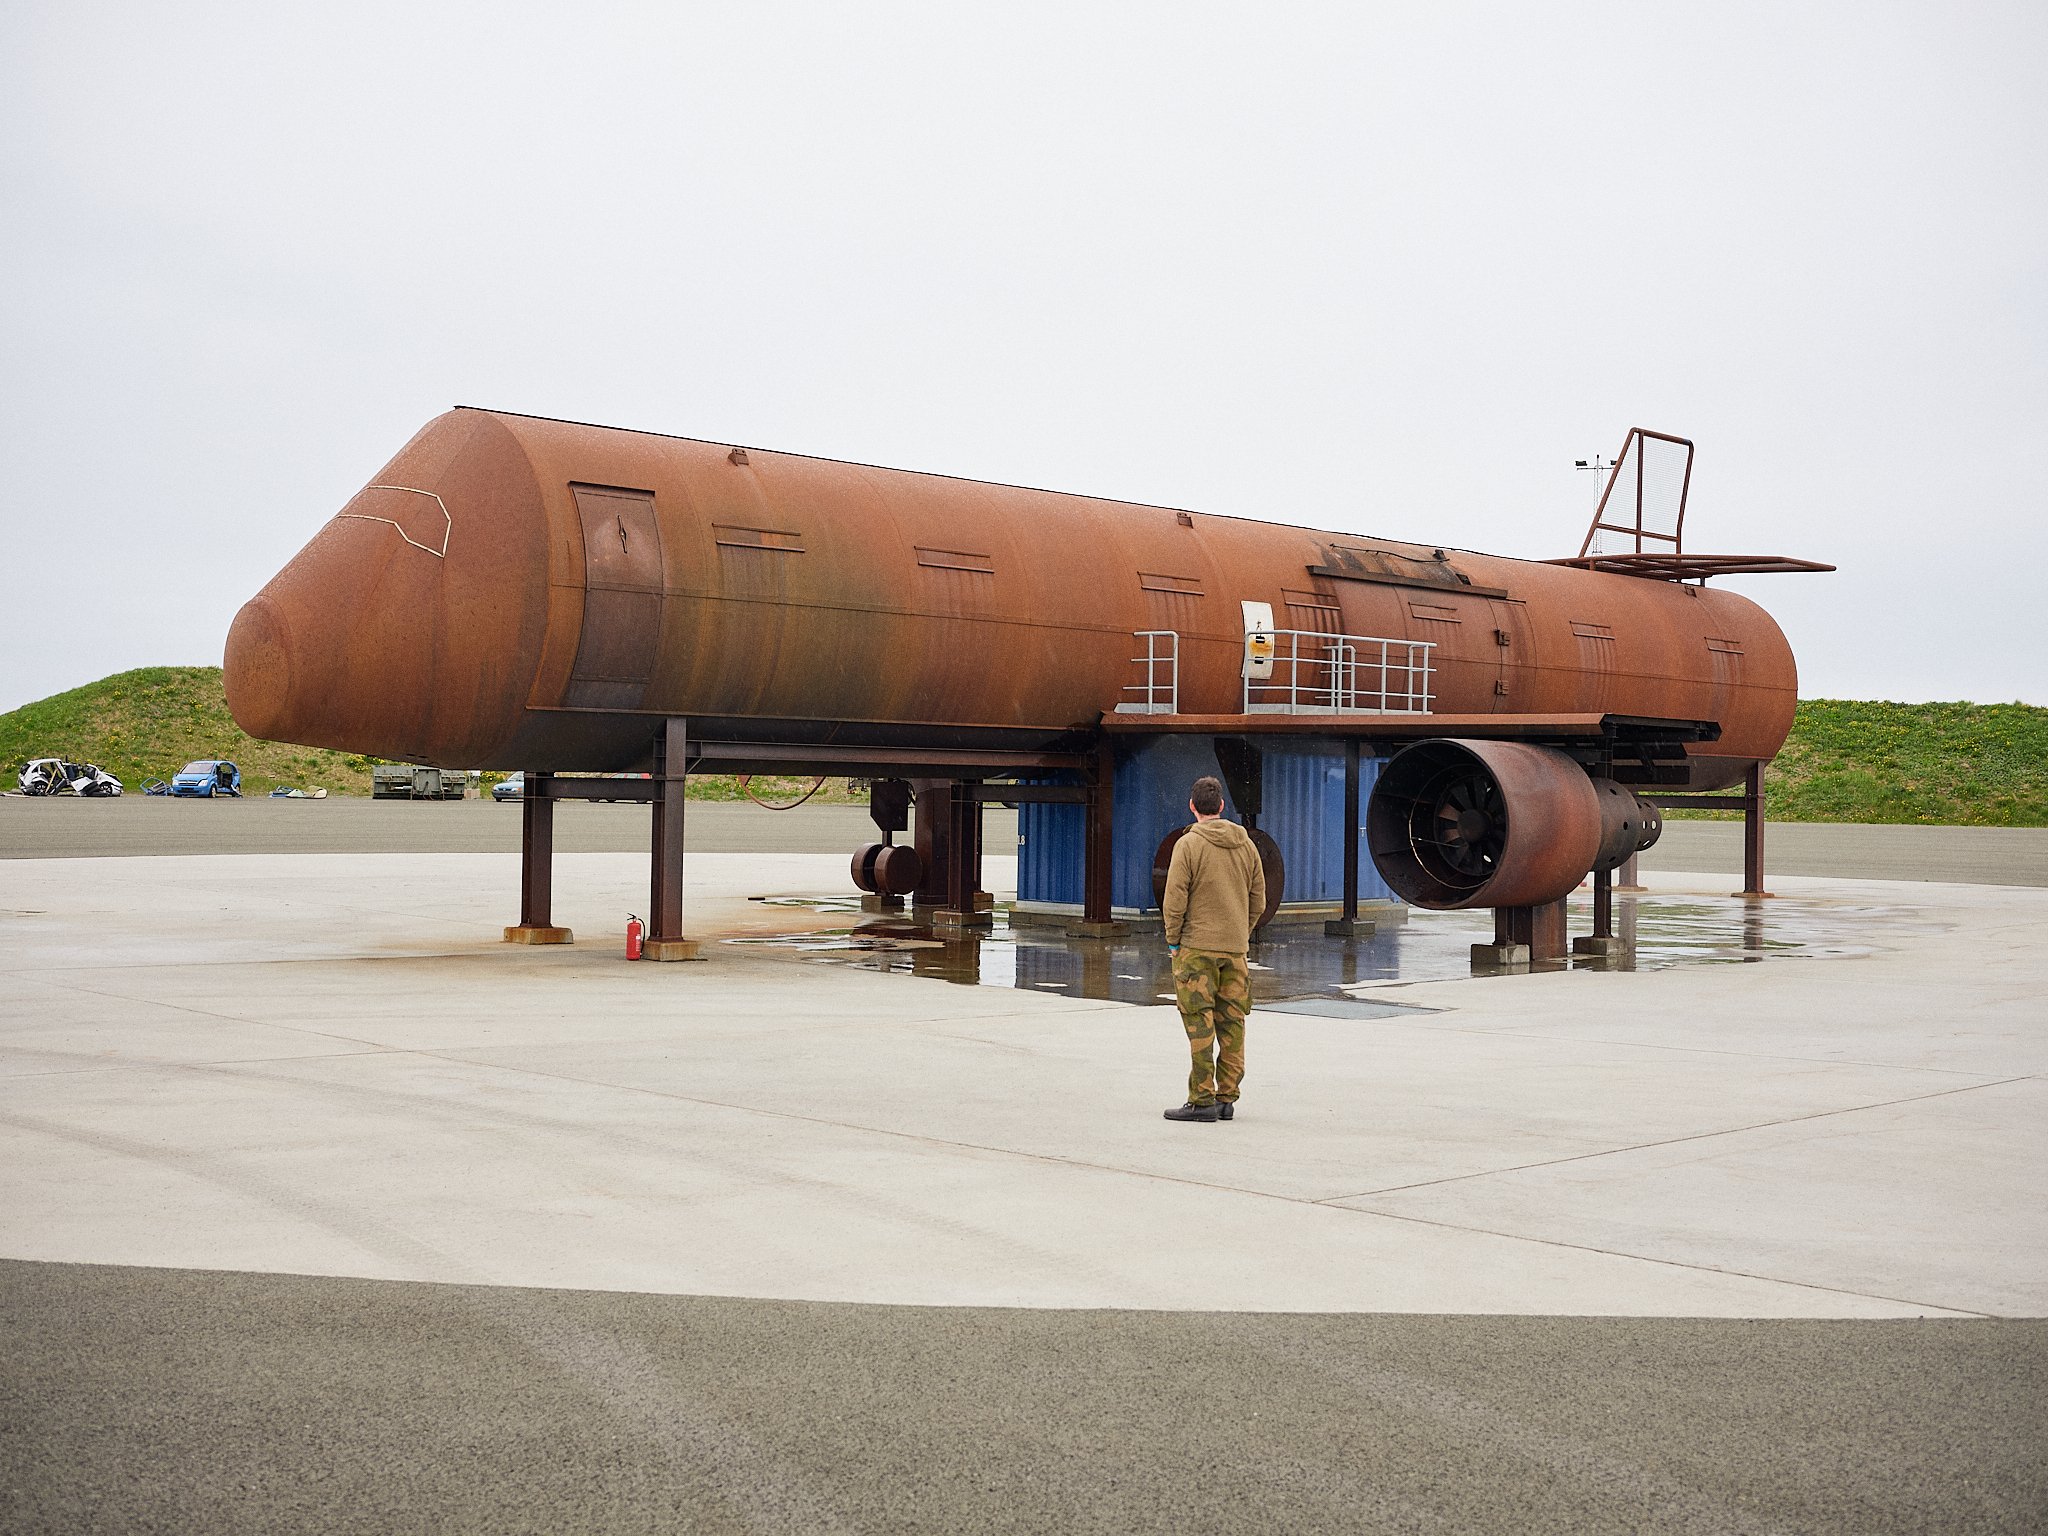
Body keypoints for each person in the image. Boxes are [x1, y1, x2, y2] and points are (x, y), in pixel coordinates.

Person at [1160, 775, 1266, 1123]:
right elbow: (1258, 900)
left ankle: (1201, 1099)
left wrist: (1173, 940)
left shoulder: (1188, 845)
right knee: (1233, 1023)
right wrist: (1240, 933)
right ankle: (1227, 1099)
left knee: (1199, 1023)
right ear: (1221, 806)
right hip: (1235, 951)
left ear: (1193, 807)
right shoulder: (1247, 845)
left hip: (1196, 948)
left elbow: (1174, 898)